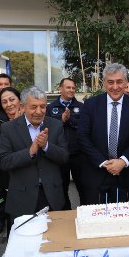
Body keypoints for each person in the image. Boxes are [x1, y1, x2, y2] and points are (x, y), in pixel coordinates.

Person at [0, 86, 69, 257]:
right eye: (34, 107)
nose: (39, 111)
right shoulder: (9, 128)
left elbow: (65, 157)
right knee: (24, 243)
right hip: (22, 196)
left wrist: (46, 146)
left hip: (51, 194)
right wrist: (31, 151)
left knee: (52, 239)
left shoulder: (55, 126)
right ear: (22, 106)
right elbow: (3, 161)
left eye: (43, 106)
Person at [78, 64, 129, 257]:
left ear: (126, 82)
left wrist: (123, 161)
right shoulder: (91, 105)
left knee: (123, 225)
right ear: (103, 83)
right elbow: (83, 138)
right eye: (110, 82)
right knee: (98, 226)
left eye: (119, 82)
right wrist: (104, 162)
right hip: (97, 174)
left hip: (126, 175)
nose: (115, 87)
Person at [0, 87, 22, 234]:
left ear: (20, 100)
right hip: (6, 173)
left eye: (12, 99)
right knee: (12, 216)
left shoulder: (32, 117)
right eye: (4, 102)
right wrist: (14, 126)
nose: (9, 104)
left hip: (28, 173)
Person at [46, 77, 86, 210]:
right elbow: (48, 129)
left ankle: (85, 212)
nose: (71, 90)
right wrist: (61, 120)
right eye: (68, 87)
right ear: (60, 89)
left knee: (83, 187)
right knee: (62, 188)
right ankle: (66, 215)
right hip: (60, 155)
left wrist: (69, 121)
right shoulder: (50, 108)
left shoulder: (81, 107)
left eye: (73, 88)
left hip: (78, 155)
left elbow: (85, 127)